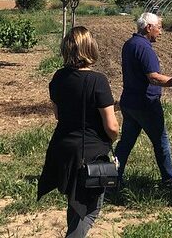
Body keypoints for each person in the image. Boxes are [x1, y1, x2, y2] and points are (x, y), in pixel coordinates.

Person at [38, 26, 119, 238]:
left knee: (75, 203)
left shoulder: (58, 77)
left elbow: (58, 115)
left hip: (62, 148)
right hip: (89, 153)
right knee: (89, 210)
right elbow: (111, 126)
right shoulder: (97, 80)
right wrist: (112, 139)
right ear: (90, 48)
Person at [114, 12, 172, 187]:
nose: (160, 32)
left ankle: (113, 177)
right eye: (159, 27)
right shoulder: (144, 48)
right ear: (148, 27)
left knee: (125, 143)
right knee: (161, 142)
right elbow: (154, 78)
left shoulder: (129, 44)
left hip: (129, 102)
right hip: (146, 104)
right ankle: (169, 180)